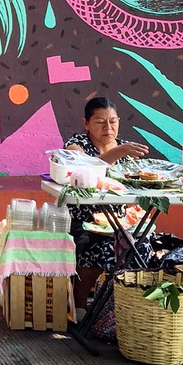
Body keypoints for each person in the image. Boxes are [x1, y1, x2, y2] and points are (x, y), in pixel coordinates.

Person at [64, 96, 149, 310]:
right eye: (100, 122)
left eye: (113, 121)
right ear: (86, 124)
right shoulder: (76, 145)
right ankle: (80, 305)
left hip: (119, 222)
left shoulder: (127, 149)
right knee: (99, 246)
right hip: (84, 222)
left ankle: (123, 307)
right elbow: (86, 171)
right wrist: (119, 152)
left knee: (142, 245)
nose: (108, 128)